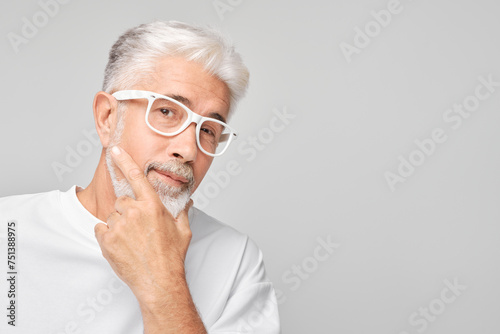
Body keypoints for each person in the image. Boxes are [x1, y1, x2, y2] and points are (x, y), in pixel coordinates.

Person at [1, 21, 280, 333]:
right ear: (107, 118)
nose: (188, 149)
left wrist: (162, 283)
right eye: (166, 112)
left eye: (208, 130)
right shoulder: (8, 227)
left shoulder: (236, 259)